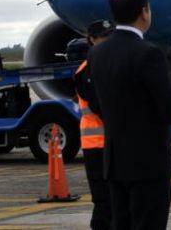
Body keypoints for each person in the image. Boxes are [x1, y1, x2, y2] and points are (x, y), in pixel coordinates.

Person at [89, 0, 171, 230]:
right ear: (144, 12)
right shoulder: (148, 53)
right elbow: (170, 112)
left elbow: (98, 104)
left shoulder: (97, 53)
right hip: (148, 166)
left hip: (115, 164)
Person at [73, 20, 114, 230]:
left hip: (115, 143)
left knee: (118, 201)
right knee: (104, 202)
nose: (108, 41)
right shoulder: (86, 70)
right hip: (96, 145)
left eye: (110, 36)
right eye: (103, 37)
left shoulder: (113, 63)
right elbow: (102, 107)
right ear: (91, 40)